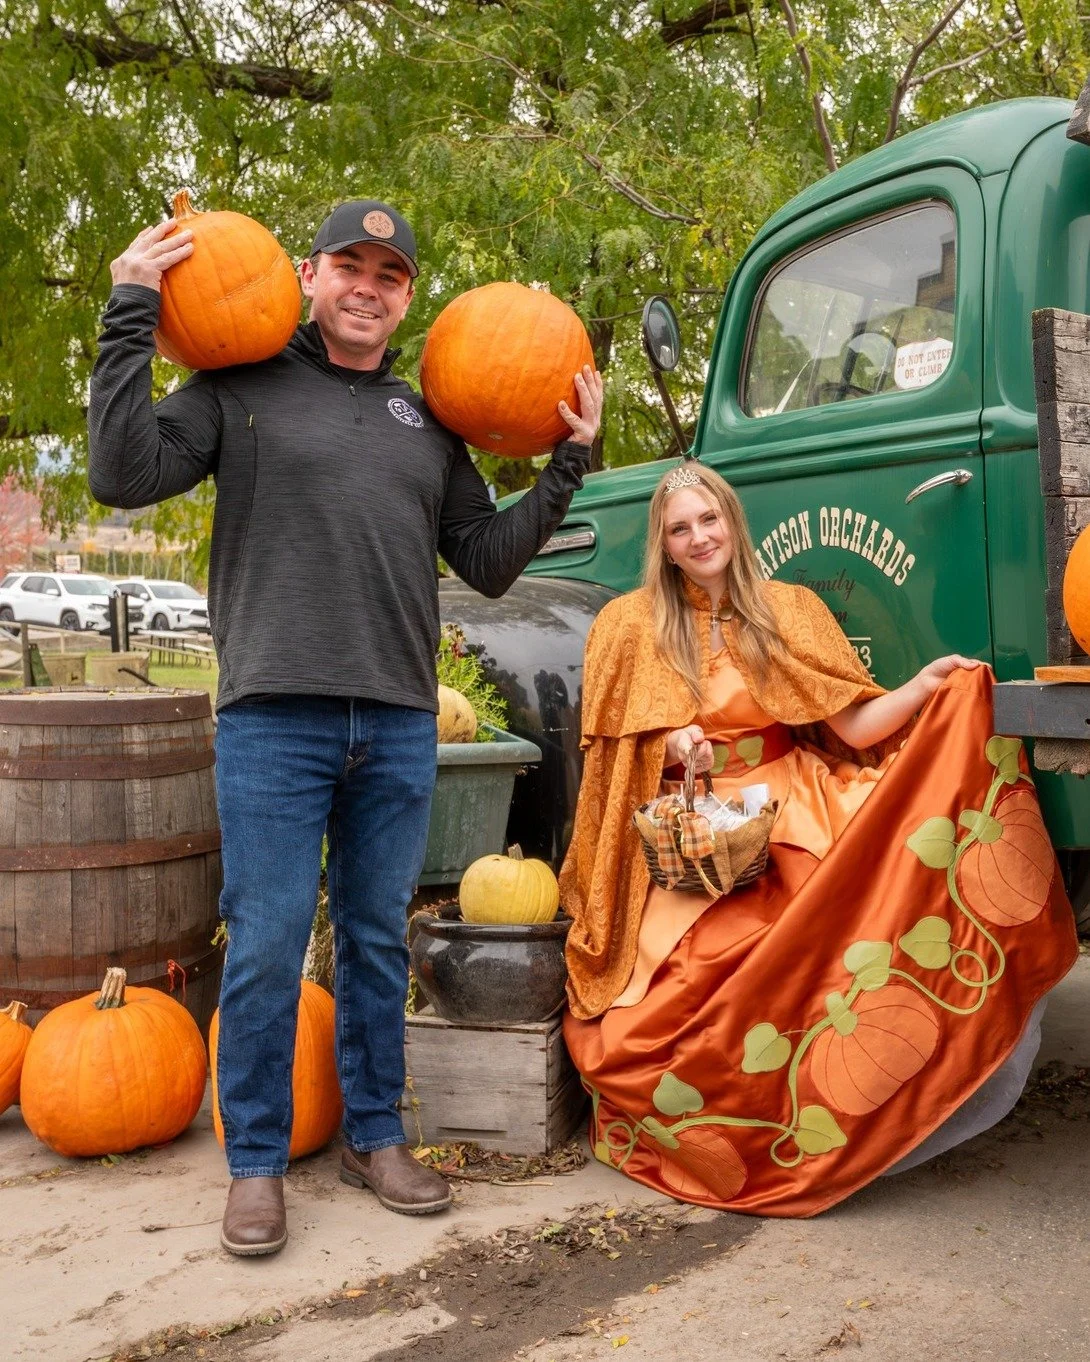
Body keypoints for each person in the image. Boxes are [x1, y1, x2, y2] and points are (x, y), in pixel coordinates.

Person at [87, 198, 604, 1255]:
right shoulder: (237, 387)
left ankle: (374, 1135)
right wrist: (131, 308)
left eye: (390, 274)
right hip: (275, 716)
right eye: (349, 266)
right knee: (270, 944)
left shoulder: (425, 423)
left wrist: (566, 465)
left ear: (407, 300)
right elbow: (119, 475)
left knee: (376, 941)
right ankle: (256, 1163)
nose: (367, 286)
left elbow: (488, 561)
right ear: (309, 278)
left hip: (400, 722)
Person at [559, 459, 1076, 1216]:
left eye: (710, 520)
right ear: (663, 545)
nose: (700, 538)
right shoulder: (629, 626)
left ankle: (871, 1120)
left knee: (859, 920)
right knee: (672, 994)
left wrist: (925, 689)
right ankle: (744, 1138)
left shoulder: (788, 611)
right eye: (681, 529)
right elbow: (614, 760)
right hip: (698, 825)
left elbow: (852, 723)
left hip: (790, 801)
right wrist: (672, 749)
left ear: (733, 522)